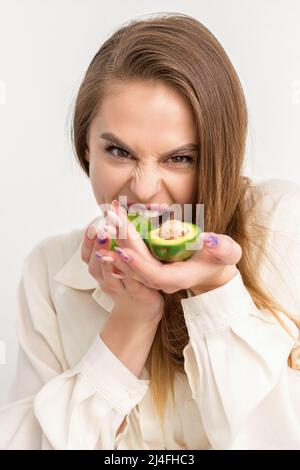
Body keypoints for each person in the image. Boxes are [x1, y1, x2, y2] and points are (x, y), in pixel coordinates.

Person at [1, 12, 300, 450]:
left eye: (179, 158)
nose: (142, 189)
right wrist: (131, 319)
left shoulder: (281, 225)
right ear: (86, 147)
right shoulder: (50, 273)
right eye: (118, 151)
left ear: (220, 157)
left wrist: (216, 289)